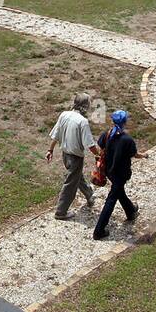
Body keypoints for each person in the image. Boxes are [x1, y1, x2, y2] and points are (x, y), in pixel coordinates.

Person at [46, 93, 101, 220]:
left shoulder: (64, 115)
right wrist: (98, 155)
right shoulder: (83, 122)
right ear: (85, 106)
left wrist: (50, 150)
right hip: (75, 157)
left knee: (77, 176)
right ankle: (61, 212)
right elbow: (90, 144)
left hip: (65, 155)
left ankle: (89, 195)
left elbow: (56, 134)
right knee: (70, 184)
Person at [93, 109, 141, 240]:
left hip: (109, 171)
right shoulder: (127, 140)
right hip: (121, 174)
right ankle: (99, 230)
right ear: (125, 122)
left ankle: (131, 211)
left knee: (119, 192)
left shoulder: (106, 134)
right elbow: (135, 154)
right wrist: (144, 155)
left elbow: (101, 148)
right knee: (111, 200)